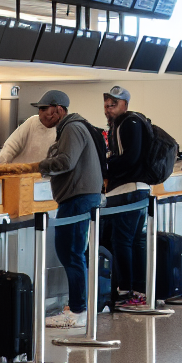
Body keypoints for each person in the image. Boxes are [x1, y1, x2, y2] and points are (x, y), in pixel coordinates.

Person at [37, 92, 103, 328]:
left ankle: (77, 311)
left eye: (44, 109)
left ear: (58, 109)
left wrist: (38, 166)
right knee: (73, 253)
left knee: (70, 252)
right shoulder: (74, 126)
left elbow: (66, 161)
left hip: (78, 197)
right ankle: (79, 307)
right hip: (79, 196)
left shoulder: (72, 128)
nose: (41, 114)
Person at [102, 86, 151, 310]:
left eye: (114, 104)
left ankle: (127, 291)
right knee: (135, 242)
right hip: (138, 190)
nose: (109, 109)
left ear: (125, 105)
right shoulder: (130, 122)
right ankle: (139, 292)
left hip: (127, 191)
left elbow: (130, 157)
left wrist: (104, 168)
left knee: (121, 241)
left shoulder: (127, 123)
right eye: (106, 105)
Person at [0, 97, 59, 165]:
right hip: (18, 171)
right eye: (41, 110)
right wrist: (2, 164)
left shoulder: (63, 130)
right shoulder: (33, 122)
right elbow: (12, 144)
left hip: (42, 173)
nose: (40, 113)